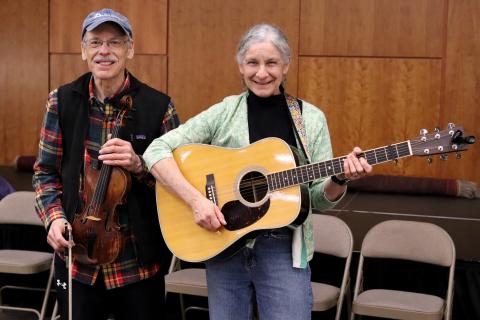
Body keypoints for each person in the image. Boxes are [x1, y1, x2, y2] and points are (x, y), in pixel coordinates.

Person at [143, 23, 372, 319]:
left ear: (286, 65)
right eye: (252, 62)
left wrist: (339, 177)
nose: (261, 73)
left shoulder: (310, 119)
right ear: (240, 66)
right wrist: (196, 200)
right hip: (224, 245)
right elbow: (155, 151)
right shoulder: (225, 112)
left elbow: (316, 198)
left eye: (271, 63)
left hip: (283, 250)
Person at [33, 8, 179, 320]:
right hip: (76, 260)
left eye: (114, 42)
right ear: (83, 50)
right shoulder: (60, 101)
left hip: (138, 263)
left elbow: (178, 184)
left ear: (130, 48)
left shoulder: (159, 107)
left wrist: (139, 164)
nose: (104, 51)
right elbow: (44, 173)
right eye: (95, 42)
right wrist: (54, 219)